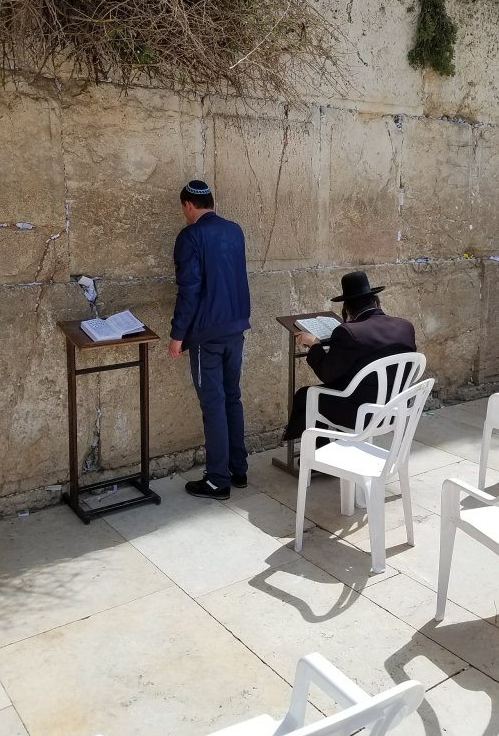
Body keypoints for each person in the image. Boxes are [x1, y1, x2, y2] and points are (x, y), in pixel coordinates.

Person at [169, 180, 250, 500]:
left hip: (207, 334)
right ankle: (238, 469)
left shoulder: (190, 236)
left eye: (183, 209)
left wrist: (177, 335)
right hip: (235, 328)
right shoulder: (235, 231)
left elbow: (189, 290)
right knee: (232, 397)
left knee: (213, 404)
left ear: (188, 205)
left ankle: (217, 479)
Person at [283, 271, 417, 440]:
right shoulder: (406, 327)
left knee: (306, 395)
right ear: (375, 303)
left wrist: (315, 345)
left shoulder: (348, 332)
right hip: (396, 409)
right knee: (340, 388)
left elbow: (327, 374)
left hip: (362, 414)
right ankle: (332, 449)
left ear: (347, 310)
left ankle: (319, 452)